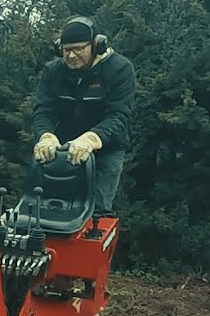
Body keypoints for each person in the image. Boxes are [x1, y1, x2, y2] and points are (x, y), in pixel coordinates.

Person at [31, 15, 136, 215]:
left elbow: (119, 116)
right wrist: (45, 135)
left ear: (96, 46)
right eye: (66, 50)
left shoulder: (120, 69)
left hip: (105, 152)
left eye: (78, 49)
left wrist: (90, 139)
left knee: (95, 215)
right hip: (60, 151)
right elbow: (43, 110)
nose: (71, 56)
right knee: (49, 211)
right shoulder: (53, 71)